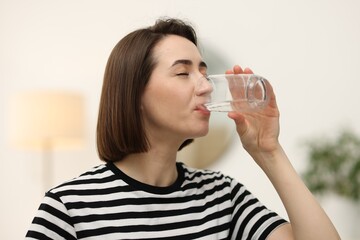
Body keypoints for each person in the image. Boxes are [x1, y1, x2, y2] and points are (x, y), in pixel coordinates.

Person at [25, 18, 340, 240]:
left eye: (203, 72)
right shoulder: (70, 205)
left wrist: (269, 151)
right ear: (135, 94)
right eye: (182, 73)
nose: (205, 86)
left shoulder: (221, 197)